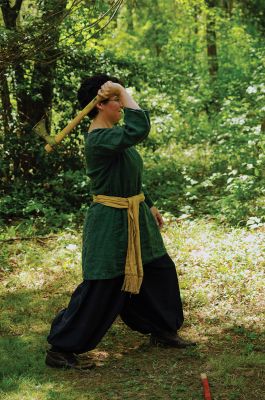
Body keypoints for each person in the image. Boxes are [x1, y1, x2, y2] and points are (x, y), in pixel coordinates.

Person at [45, 74, 196, 370]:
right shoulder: (99, 139)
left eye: (120, 99)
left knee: (158, 270)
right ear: (101, 105)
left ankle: (163, 328)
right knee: (104, 285)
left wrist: (148, 205)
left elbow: (129, 175)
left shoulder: (114, 135)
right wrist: (123, 90)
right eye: (117, 101)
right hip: (111, 223)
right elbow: (140, 127)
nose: (121, 105)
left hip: (136, 215)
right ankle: (61, 348)